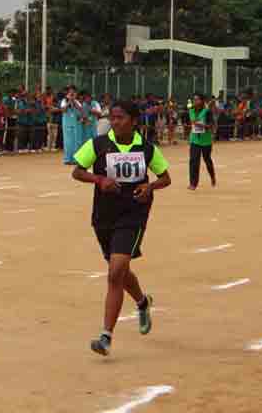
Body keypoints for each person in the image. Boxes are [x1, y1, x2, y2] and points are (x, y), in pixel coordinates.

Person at [72, 100, 172, 356]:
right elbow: (77, 171)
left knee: (115, 271)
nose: (115, 122)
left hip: (133, 215)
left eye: (120, 118)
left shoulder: (146, 148)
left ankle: (105, 336)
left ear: (134, 120)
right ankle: (142, 301)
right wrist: (99, 179)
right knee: (120, 271)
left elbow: (165, 178)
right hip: (104, 216)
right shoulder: (99, 144)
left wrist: (150, 187)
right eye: (112, 118)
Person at [188, 93, 216, 190]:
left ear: (202, 101)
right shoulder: (191, 110)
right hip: (194, 140)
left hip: (206, 141)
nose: (195, 102)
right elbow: (192, 121)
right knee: (194, 161)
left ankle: (212, 176)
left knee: (207, 160)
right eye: (194, 100)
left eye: (197, 100)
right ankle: (193, 183)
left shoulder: (207, 112)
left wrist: (203, 126)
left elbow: (212, 126)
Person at [60, 86, 82, 164]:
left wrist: (74, 101)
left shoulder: (77, 101)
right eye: (70, 92)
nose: (72, 94)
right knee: (68, 142)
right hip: (67, 124)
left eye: (74, 92)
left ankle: (75, 159)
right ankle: (68, 159)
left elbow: (80, 109)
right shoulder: (64, 101)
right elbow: (63, 110)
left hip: (75, 124)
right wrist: (69, 101)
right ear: (68, 93)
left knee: (76, 142)